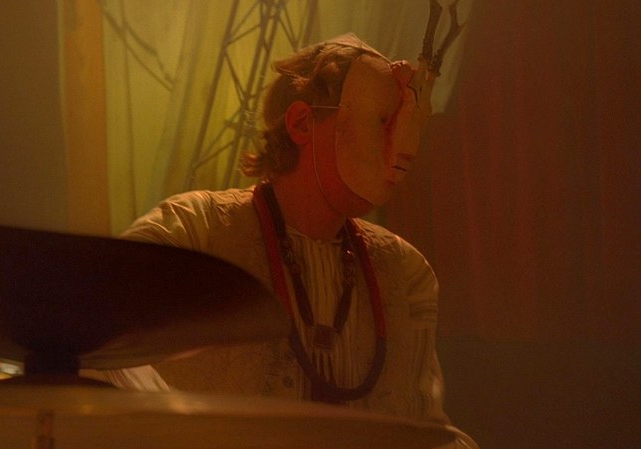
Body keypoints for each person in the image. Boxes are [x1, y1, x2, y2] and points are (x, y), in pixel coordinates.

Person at [99, 33, 476, 446]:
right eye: (383, 121)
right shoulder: (195, 230)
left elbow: (424, 428)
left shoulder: (406, 272)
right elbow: (93, 338)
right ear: (301, 123)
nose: (403, 149)